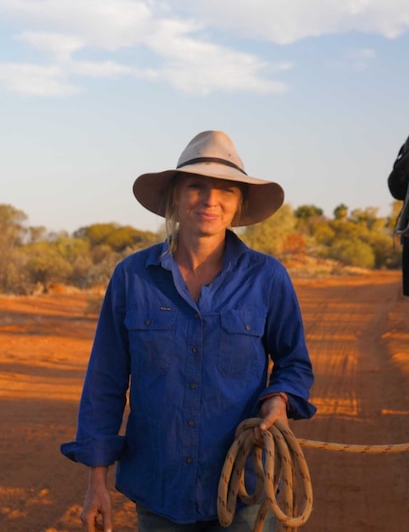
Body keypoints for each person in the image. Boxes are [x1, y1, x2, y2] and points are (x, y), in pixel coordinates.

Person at [61, 131, 316, 532]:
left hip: (244, 488)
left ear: (239, 203)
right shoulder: (132, 276)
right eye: (196, 185)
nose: (210, 199)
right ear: (175, 198)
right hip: (158, 488)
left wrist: (279, 401)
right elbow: (105, 381)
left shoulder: (267, 277)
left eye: (226, 190)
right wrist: (96, 481)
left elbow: (294, 363)